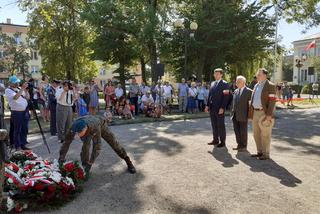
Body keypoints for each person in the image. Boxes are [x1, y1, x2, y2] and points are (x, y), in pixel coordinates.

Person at [58, 115, 136, 175]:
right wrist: (61, 158)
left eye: (79, 133)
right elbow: (66, 142)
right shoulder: (73, 127)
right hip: (87, 124)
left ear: (84, 129)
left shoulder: (94, 127)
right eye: (76, 132)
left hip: (100, 124)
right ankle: (84, 166)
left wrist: (91, 163)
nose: (77, 135)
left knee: (114, 143)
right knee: (86, 145)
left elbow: (97, 147)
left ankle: (128, 161)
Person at [249, 68, 276, 160]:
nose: (257, 76)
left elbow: (272, 101)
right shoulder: (256, 85)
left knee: (265, 134)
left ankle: (266, 154)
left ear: (265, 75)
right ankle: (259, 152)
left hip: (264, 113)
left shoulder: (270, 85)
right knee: (256, 134)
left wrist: (269, 114)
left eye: (259, 74)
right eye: (257, 74)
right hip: (255, 112)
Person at [5, 75, 31, 150]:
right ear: (10, 83)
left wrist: (26, 91)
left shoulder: (19, 89)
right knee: (17, 129)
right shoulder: (8, 90)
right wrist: (22, 89)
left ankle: (23, 144)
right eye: (15, 83)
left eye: (17, 82)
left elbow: (27, 98)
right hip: (16, 112)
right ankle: (17, 146)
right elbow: (15, 97)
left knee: (25, 129)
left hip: (25, 111)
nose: (17, 84)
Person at [206, 68, 230, 148]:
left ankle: (222, 142)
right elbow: (210, 95)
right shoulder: (213, 83)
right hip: (212, 108)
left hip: (219, 108)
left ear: (221, 74)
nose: (215, 75)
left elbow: (226, 97)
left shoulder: (225, 84)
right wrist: (207, 105)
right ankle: (215, 139)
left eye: (217, 74)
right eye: (214, 74)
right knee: (214, 124)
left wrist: (222, 107)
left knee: (220, 125)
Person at [231, 76, 253, 152]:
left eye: (238, 82)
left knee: (243, 131)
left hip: (244, 115)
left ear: (243, 82)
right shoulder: (236, 91)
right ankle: (239, 144)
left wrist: (250, 115)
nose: (236, 83)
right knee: (236, 131)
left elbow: (251, 105)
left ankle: (243, 146)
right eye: (236, 81)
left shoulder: (249, 91)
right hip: (235, 115)